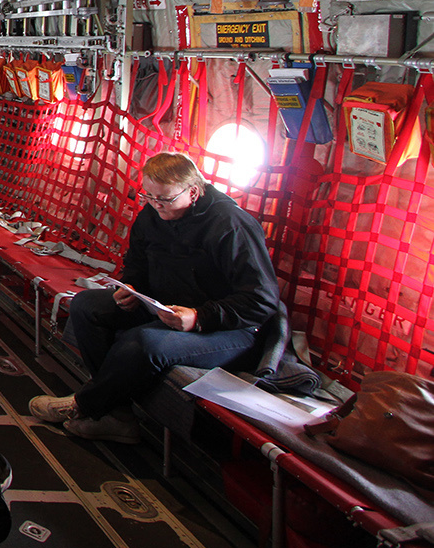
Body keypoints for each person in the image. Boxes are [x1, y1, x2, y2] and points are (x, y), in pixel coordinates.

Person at [29, 152, 283, 444]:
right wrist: (131, 287)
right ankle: (118, 416)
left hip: (230, 329)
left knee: (144, 341)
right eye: (148, 196)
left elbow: (262, 301)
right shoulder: (152, 214)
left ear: (193, 192)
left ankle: (85, 405)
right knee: (88, 306)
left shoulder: (230, 225)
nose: (157, 205)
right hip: (166, 308)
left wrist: (201, 317)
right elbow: (136, 262)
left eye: (165, 199)